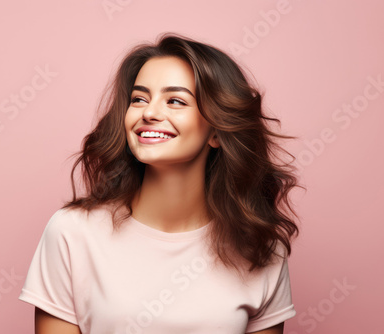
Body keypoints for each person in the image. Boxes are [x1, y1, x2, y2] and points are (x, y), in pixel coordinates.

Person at [18, 32, 304, 334]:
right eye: (139, 99)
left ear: (217, 133)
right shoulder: (72, 233)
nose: (149, 113)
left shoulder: (261, 247)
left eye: (176, 101)